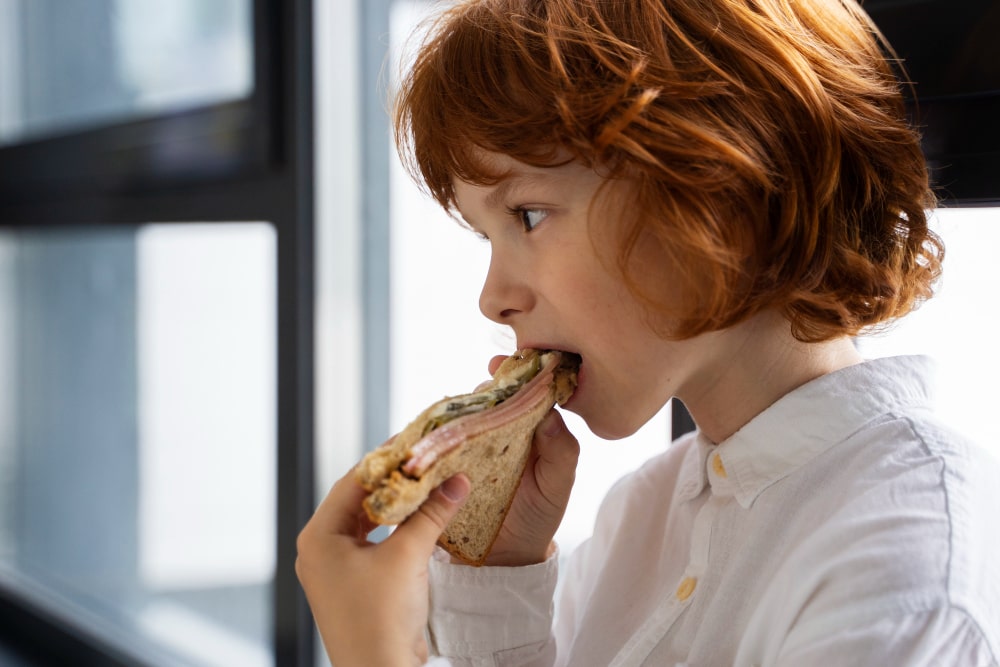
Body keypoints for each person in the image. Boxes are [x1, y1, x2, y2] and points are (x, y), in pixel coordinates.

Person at [295, 0, 1000, 664]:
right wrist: (504, 571)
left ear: (722, 193)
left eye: (529, 216)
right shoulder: (640, 513)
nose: (493, 297)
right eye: (486, 234)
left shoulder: (906, 567)